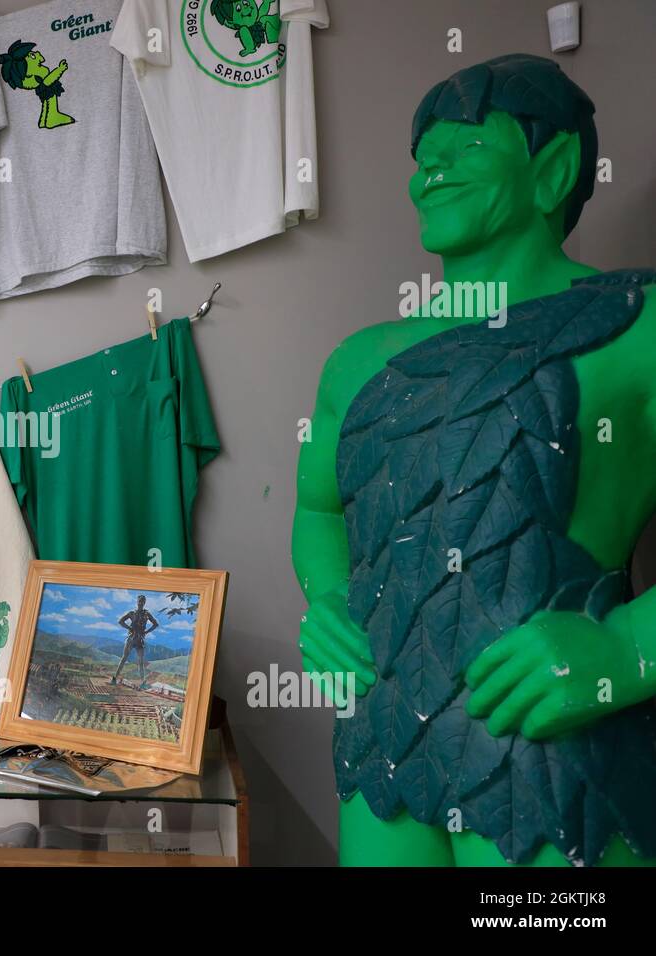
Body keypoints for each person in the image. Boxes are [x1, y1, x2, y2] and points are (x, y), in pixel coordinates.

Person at [293, 54, 656, 867]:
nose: (432, 174)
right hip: (384, 746)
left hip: (560, 753)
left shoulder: (639, 323)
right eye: (425, 158)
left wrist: (629, 648)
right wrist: (326, 600)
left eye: (467, 149)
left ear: (554, 167)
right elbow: (319, 507)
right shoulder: (358, 361)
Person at [112, 595, 158, 688]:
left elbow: (155, 624)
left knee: (140, 661)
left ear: (144, 603)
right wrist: (129, 628)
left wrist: (146, 632)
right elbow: (121, 621)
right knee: (124, 658)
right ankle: (114, 678)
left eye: (142, 601)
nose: (141, 603)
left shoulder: (147, 614)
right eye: (139, 601)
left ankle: (143, 682)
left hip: (140, 639)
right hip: (131, 638)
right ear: (137, 602)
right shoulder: (132, 613)